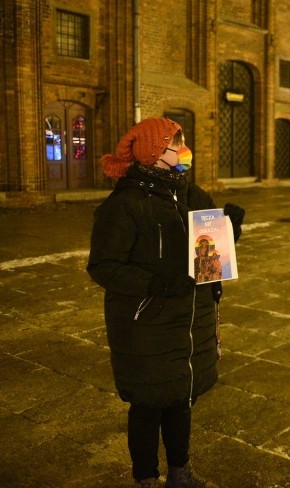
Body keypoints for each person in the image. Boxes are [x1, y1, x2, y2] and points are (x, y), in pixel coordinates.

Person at [88, 118, 245, 488]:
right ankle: (145, 478)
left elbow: (208, 263)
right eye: (177, 143)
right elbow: (104, 266)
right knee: (147, 404)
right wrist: (156, 284)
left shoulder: (194, 196)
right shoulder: (125, 204)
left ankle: (180, 472)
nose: (184, 149)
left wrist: (229, 235)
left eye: (183, 141)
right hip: (146, 323)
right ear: (155, 153)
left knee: (180, 398)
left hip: (190, 319)